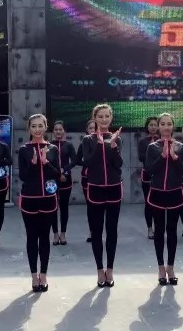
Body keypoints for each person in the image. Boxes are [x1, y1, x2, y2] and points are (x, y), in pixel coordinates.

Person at [18, 114, 61, 292]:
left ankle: (43, 274)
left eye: (40, 126)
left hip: (48, 200)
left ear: (45, 127)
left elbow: (57, 174)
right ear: (29, 128)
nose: (37, 129)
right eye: (33, 126)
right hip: (29, 200)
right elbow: (23, 176)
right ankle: (33, 275)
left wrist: (46, 163)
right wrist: (34, 164)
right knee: (31, 237)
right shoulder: (24, 149)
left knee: (45, 237)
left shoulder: (52, 148)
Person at [82, 104, 123, 287]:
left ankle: (110, 269)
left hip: (114, 188)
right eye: (100, 116)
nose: (104, 119)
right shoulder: (88, 139)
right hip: (95, 189)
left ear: (111, 117)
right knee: (96, 231)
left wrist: (113, 146)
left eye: (107, 116)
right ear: (95, 118)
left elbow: (118, 164)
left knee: (112, 230)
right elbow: (89, 162)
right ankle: (100, 270)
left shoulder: (116, 138)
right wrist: (100, 145)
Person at [145, 113, 183, 285]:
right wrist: (162, 157)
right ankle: (160, 268)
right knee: (159, 231)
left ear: (173, 126)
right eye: (162, 124)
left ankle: (170, 267)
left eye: (169, 124)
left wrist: (175, 158)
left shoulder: (180, 147)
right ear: (158, 126)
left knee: (171, 231)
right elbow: (149, 170)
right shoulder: (152, 147)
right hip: (157, 193)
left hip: (175, 193)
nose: (165, 127)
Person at [50, 121, 77, 245]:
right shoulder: (49, 145)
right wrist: (57, 173)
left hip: (66, 179)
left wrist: (64, 171)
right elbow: (47, 162)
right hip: (52, 180)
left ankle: (63, 233)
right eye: (56, 129)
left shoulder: (69, 145)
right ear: (53, 131)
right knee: (53, 207)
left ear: (64, 131)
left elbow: (74, 161)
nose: (58, 132)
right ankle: (55, 233)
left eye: (60, 129)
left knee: (64, 207)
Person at [75, 119, 97, 243]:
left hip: (101, 178)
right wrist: (87, 163)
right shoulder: (83, 144)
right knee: (91, 206)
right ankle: (92, 232)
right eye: (90, 128)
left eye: (95, 128)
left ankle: (100, 230)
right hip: (87, 178)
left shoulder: (104, 143)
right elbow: (77, 160)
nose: (93, 130)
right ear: (86, 130)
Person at [138, 117, 159, 239]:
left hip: (159, 175)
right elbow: (140, 157)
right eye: (151, 125)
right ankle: (150, 228)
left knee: (158, 203)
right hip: (147, 175)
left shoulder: (161, 140)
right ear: (147, 127)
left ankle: (158, 227)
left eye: (155, 125)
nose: (153, 127)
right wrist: (150, 149)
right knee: (148, 202)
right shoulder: (143, 141)